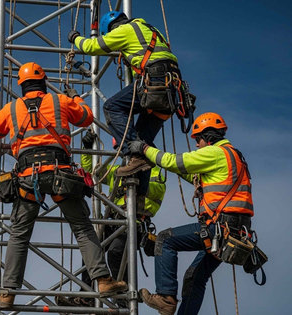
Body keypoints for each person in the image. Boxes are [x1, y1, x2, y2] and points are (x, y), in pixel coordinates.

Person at [0, 62, 128, 308]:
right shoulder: (60, 101)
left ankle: (7, 293)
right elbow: (86, 117)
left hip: (27, 177)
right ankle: (103, 280)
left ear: (22, 86)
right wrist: (74, 96)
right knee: (83, 229)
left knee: (19, 235)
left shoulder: (11, 108)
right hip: (59, 173)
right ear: (43, 82)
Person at [128, 112, 254, 315]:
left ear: (209, 137)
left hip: (219, 228)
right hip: (235, 232)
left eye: (198, 139)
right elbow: (193, 175)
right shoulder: (234, 155)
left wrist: (144, 149)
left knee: (165, 240)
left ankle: (165, 298)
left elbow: (173, 161)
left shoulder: (214, 153)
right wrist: (156, 159)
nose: (196, 144)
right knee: (194, 277)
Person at [67, 11, 182, 198]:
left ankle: (133, 155)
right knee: (145, 146)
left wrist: (75, 38)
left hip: (154, 82)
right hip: (170, 92)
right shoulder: (148, 29)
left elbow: (92, 46)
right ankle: (139, 199)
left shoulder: (126, 30)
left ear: (112, 28)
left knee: (112, 107)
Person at [59, 131, 166, 308]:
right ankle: (87, 297)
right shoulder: (122, 168)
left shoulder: (153, 169)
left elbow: (155, 190)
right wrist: (87, 151)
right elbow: (95, 173)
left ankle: (122, 302)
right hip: (113, 219)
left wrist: (133, 178)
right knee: (92, 252)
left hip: (134, 221)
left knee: (117, 253)